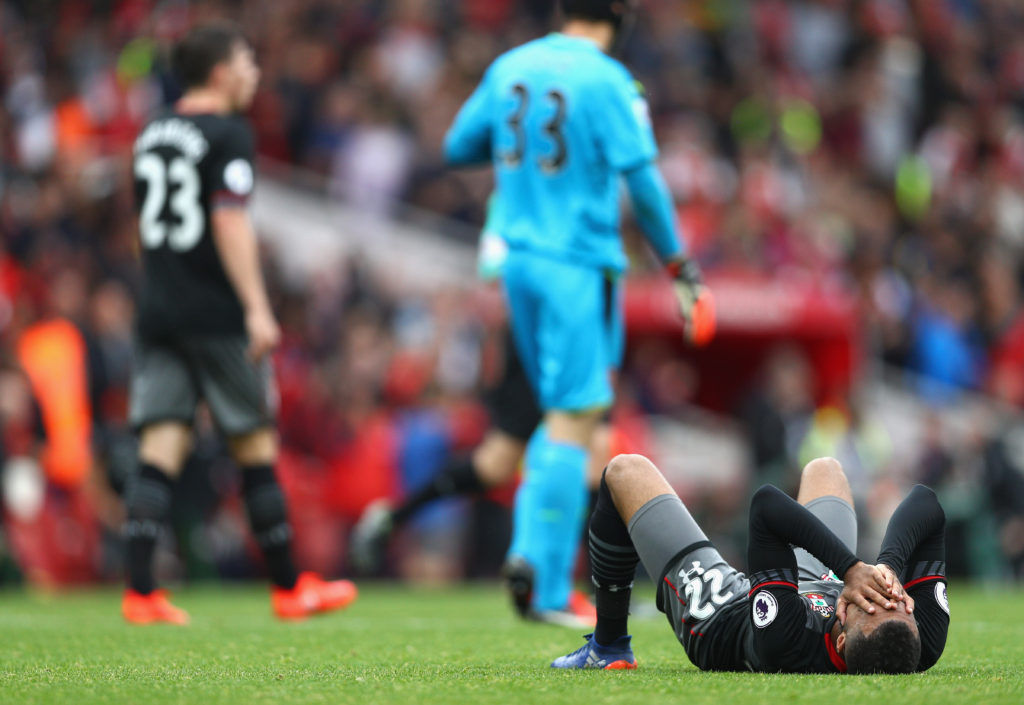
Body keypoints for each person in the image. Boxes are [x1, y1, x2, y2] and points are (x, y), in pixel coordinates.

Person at [443, 0, 714, 621]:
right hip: (577, 263)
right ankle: (541, 584)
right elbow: (643, 183)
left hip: (519, 263)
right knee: (577, 415)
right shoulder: (607, 80)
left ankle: (527, 557)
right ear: (619, 17)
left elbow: (459, 145)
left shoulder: (512, 65)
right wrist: (679, 265)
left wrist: (526, 155)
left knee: (565, 414)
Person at [123, 23, 357, 624]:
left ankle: (141, 590)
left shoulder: (152, 131)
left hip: (158, 307)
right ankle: (287, 588)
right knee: (254, 444)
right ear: (222, 72)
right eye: (248, 61)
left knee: (162, 444)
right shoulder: (229, 133)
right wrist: (256, 305)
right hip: (216, 311)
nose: (255, 71)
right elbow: (229, 221)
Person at [350, 194, 602, 626]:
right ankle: (555, 580)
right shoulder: (560, 186)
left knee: (500, 463)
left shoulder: (521, 178)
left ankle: (397, 515)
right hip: (550, 336)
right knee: (581, 455)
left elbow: (492, 262)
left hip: (534, 335)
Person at [552, 455, 949, 674]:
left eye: (871, 606)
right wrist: (889, 567)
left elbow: (766, 506)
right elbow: (926, 503)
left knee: (625, 471)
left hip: (727, 613)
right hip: (816, 587)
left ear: (841, 642)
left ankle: (608, 646)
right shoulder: (920, 642)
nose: (885, 597)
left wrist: (849, 569)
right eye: (896, 602)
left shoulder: (788, 644)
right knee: (825, 469)